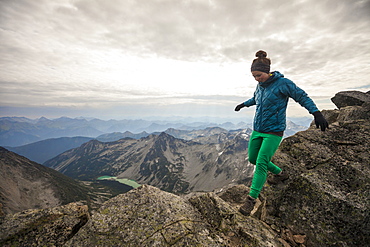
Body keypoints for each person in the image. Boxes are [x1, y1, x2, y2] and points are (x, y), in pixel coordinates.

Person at [235, 50, 329, 216]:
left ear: (267, 71)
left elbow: (302, 96)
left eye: (259, 75)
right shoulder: (260, 86)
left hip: (274, 131)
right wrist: (244, 104)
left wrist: (316, 113)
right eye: (254, 77)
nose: (257, 79)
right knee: (253, 158)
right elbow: (256, 99)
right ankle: (281, 174)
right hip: (258, 129)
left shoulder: (283, 83)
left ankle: (250, 200)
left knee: (262, 161)